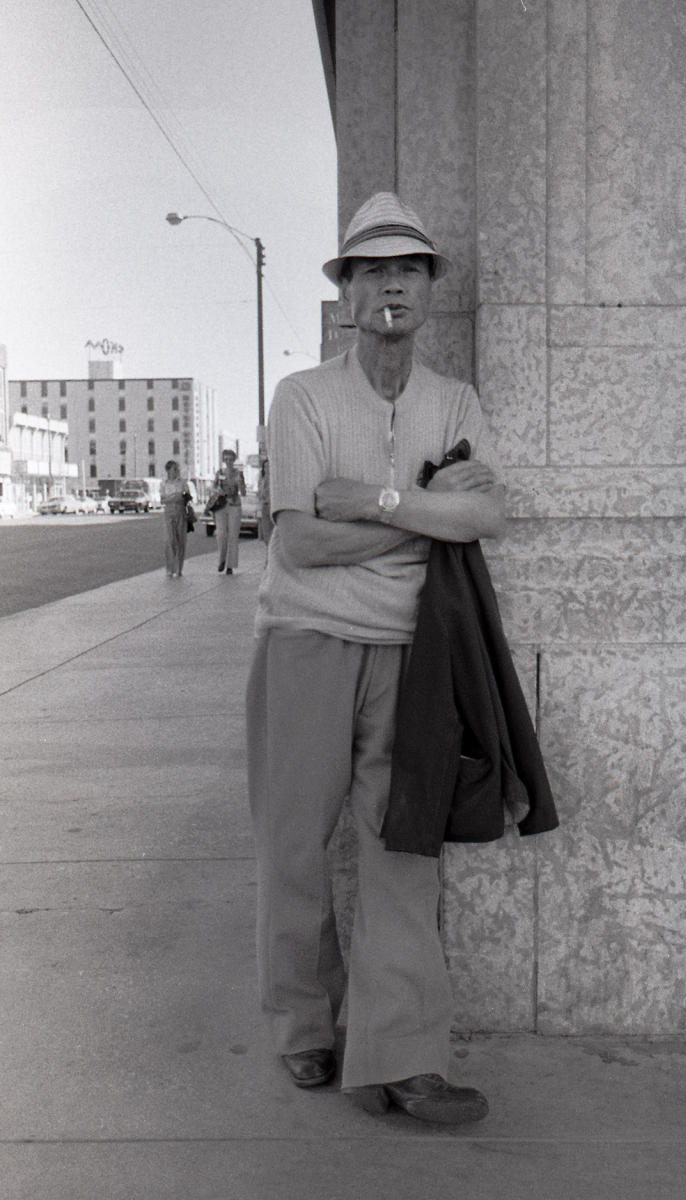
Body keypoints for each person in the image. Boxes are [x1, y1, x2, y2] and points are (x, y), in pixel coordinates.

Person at [246, 192, 509, 1125]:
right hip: (306, 644)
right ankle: (303, 1027)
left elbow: (483, 516)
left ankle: (402, 1055)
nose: (390, 283)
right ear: (346, 295)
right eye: (371, 270)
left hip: (411, 656)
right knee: (294, 846)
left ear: (428, 289)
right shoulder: (302, 398)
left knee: (403, 851)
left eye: (407, 269)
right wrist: (422, 524)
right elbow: (298, 546)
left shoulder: (456, 401)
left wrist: (376, 502)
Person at [211, 449, 246, 574]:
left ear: (234, 460)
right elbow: (214, 487)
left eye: (231, 459)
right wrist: (217, 491)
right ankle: (221, 560)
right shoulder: (220, 472)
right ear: (223, 460)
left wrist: (241, 484)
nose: (228, 462)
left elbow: (243, 492)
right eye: (226, 459)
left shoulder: (238, 473)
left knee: (233, 535)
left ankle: (230, 565)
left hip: (234, 505)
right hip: (221, 505)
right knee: (221, 534)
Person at [161, 459, 192, 578]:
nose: (177, 471)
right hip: (169, 512)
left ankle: (179, 568)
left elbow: (187, 497)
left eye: (178, 469)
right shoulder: (163, 484)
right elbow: (162, 500)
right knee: (169, 540)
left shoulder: (182, 483)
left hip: (181, 512)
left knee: (181, 540)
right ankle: (170, 568)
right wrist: (174, 497)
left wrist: (180, 497)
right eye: (175, 469)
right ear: (168, 470)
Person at [256, 456, 273, 546]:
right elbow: (259, 492)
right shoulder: (262, 479)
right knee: (266, 535)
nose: (267, 469)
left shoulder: (274, 479)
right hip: (265, 505)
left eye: (268, 466)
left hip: (272, 505)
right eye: (265, 467)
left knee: (273, 535)